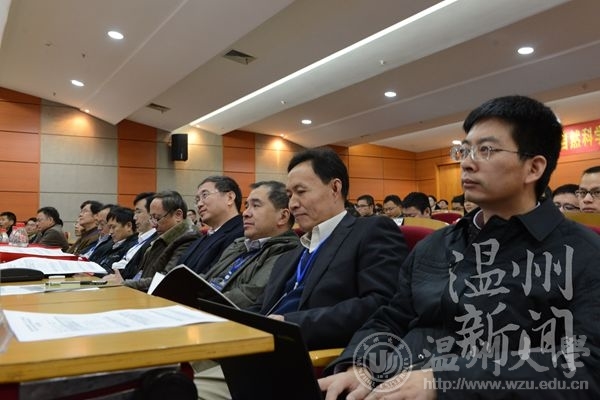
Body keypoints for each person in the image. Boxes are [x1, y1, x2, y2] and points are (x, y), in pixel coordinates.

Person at [320, 95, 600, 399]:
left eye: (486, 150)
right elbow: (392, 317)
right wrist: (360, 364)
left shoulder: (582, 254)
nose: (466, 162)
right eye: (465, 150)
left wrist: (443, 382)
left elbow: (586, 367)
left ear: (533, 168)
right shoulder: (436, 244)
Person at [257, 148, 408, 350]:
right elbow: (262, 308)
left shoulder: (371, 231)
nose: (292, 204)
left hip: (309, 352)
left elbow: (381, 304)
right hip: (256, 346)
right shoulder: (290, 255)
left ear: (335, 188)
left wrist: (290, 324)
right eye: (289, 195)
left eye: (301, 192)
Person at [201, 180, 300, 309]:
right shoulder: (238, 244)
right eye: (247, 206)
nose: (245, 213)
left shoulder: (287, 252)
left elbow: (249, 297)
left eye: (256, 206)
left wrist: (197, 301)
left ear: (282, 217)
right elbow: (209, 278)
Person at [104, 190, 196, 292]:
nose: (153, 225)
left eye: (157, 218)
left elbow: (165, 280)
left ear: (178, 215)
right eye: (151, 218)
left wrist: (124, 284)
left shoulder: (187, 239)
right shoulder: (163, 236)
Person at [170, 176, 244, 275]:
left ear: (229, 198)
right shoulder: (200, 239)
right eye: (197, 200)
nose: (199, 204)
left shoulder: (241, 234)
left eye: (205, 195)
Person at [113, 192, 158, 279]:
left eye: (138, 212)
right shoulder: (138, 240)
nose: (134, 217)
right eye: (135, 213)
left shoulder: (154, 242)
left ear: (152, 214)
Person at [90, 207, 138, 273]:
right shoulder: (109, 244)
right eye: (109, 227)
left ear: (128, 226)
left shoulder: (134, 248)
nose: (110, 232)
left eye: (113, 227)